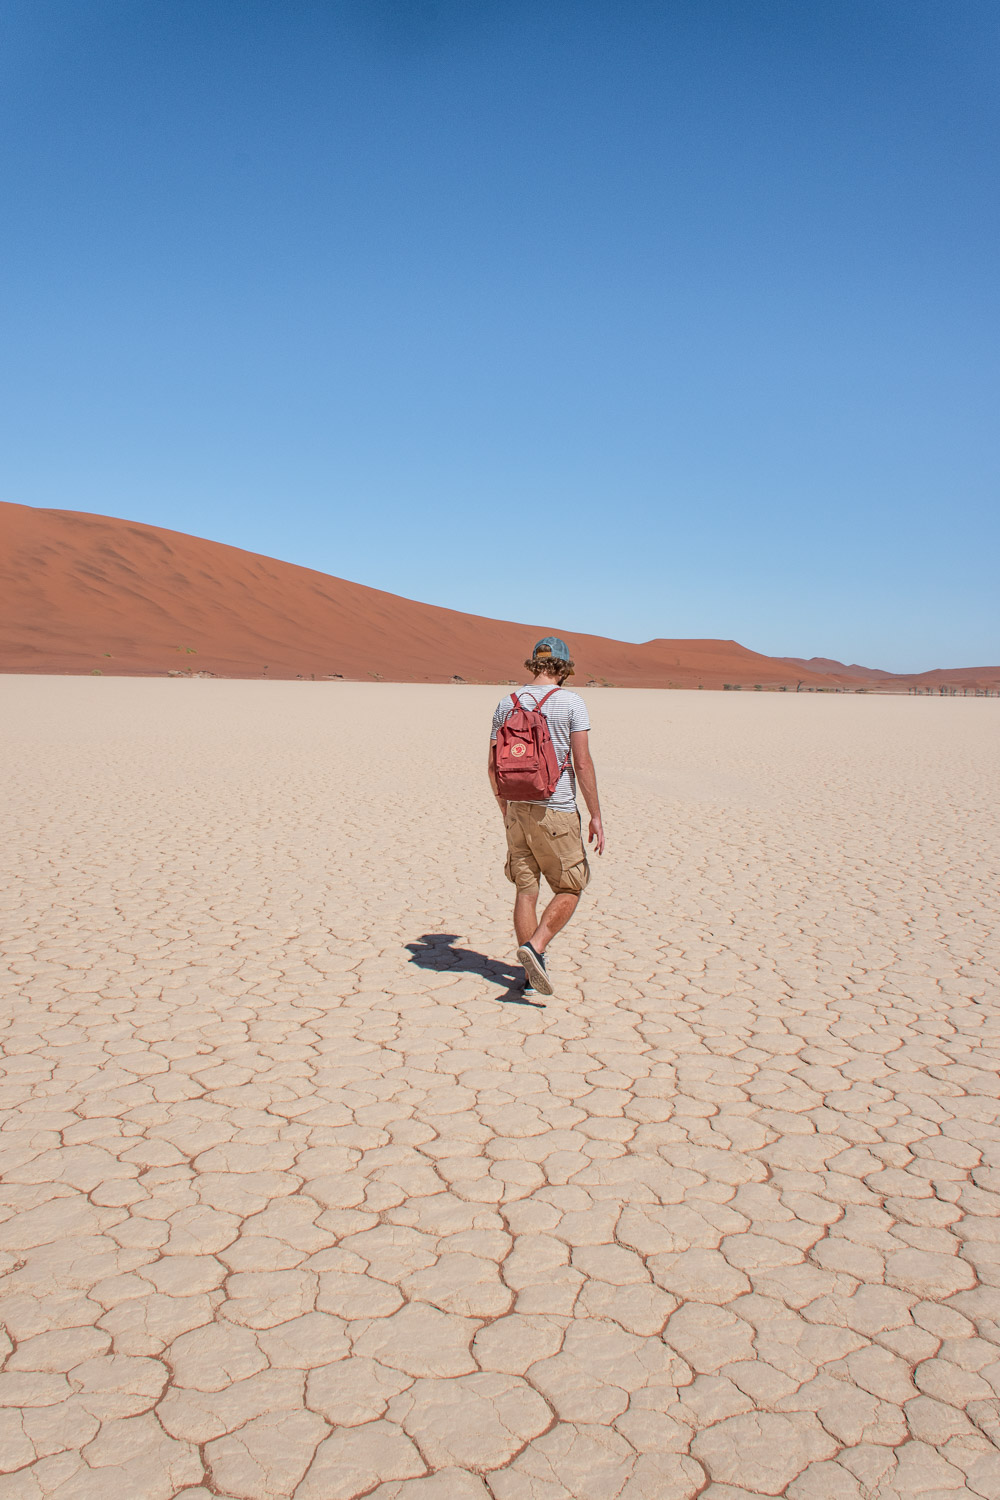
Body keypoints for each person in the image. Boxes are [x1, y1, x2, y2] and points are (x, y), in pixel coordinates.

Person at [488, 636, 605, 997]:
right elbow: (582, 762)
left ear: (533, 664)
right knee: (572, 885)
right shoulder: (572, 702)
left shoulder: (505, 703)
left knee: (526, 889)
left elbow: (493, 766)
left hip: (515, 808)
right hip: (555, 807)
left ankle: (528, 973)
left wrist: (505, 807)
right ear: (564, 667)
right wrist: (595, 815)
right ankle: (536, 947)